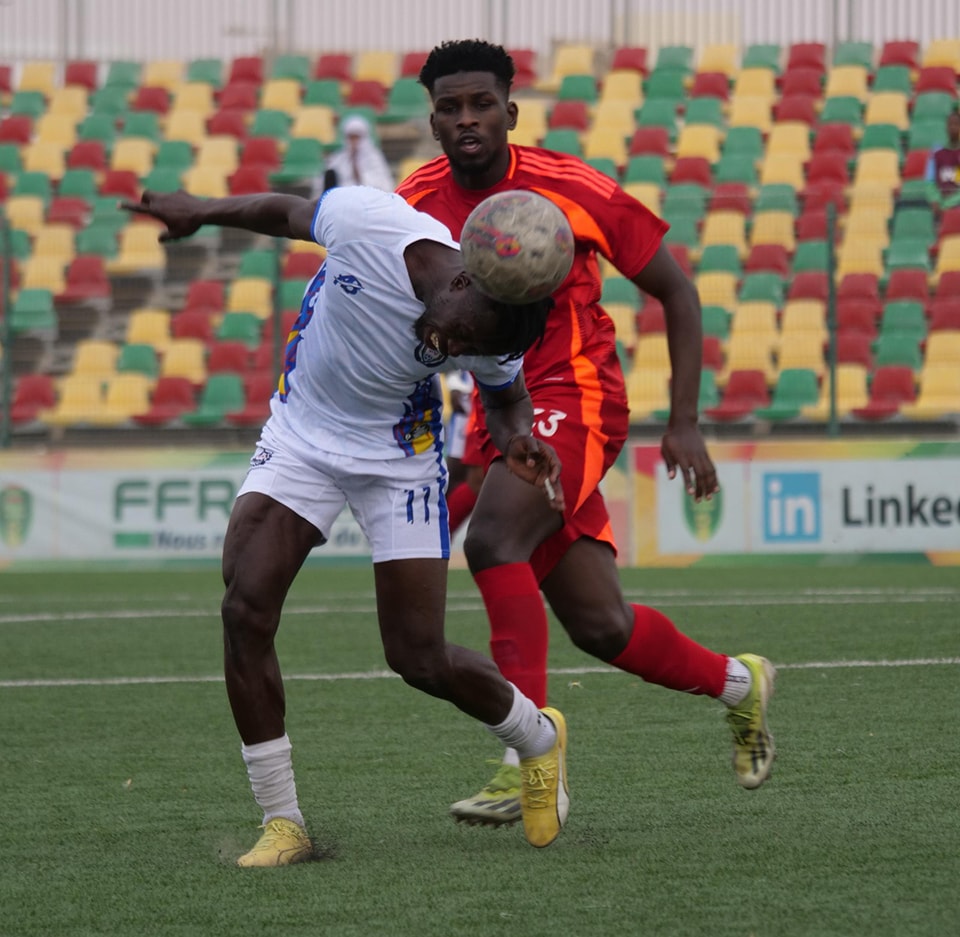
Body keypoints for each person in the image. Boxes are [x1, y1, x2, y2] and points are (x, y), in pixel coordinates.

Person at [122, 183, 570, 862]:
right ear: (458, 278)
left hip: (400, 458)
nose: (453, 346)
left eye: (468, 346)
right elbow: (283, 211)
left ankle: (538, 738)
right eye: (460, 329)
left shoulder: (498, 322)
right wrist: (202, 209)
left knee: (416, 656)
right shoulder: (369, 225)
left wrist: (516, 439)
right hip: (303, 432)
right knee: (245, 606)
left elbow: (507, 399)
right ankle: (284, 822)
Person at [396, 39, 776, 826]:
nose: (467, 119)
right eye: (450, 107)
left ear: (511, 109)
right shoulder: (415, 201)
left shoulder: (569, 186)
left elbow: (676, 290)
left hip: (578, 392)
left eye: (482, 104)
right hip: (498, 402)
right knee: (601, 624)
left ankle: (527, 755)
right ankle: (742, 683)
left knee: (494, 540)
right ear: (432, 119)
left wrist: (685, 421)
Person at [314, 113, 395, 196]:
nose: (353, 142)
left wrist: (358, 170)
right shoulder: (339, 158)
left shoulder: (375, 158)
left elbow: (383, 184)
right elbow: (325, 182)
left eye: (356, 137)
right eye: (350, 137)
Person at [926, 108, 960, 210]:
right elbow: (929, 182)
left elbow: (958, 180)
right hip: (938, 206)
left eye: (956, 124)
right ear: (946, 127)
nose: (953, 127)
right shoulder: (936, 152)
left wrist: (949, 204)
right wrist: (936, 200)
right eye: (950, 124)